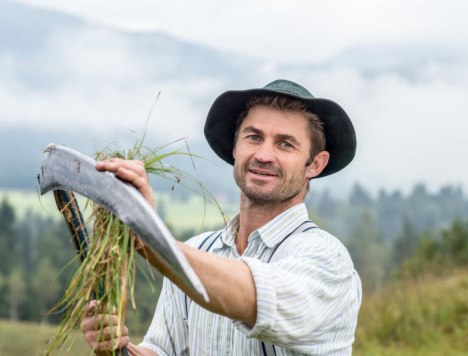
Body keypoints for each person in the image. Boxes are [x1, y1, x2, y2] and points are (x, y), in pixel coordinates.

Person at [81, 79, 362, 355]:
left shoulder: (326, 259)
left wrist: (150, 236)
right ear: (234, 148)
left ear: (315, 163)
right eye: (253, 137)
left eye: (285, 144)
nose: (264, 154)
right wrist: (119, 349)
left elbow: (256, 297)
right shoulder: (198, 250)